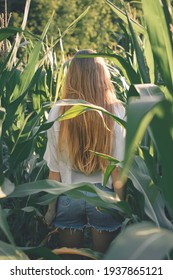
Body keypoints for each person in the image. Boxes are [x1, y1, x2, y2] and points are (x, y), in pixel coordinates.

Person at [43, 49, 126, 256]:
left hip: (69, 195)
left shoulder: (57, 111)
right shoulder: (117, 110)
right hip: (104, 198)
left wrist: (50, 210)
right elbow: (117, 170)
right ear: (102, 75)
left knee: (72, 265)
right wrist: (122, 206)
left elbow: (54, 171)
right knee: (104, 262)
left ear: (72, 76)